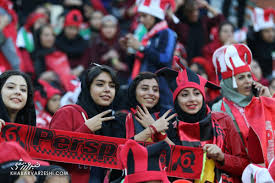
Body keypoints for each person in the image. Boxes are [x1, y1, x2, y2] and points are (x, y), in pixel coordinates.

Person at [157, 57, 249, 182]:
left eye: (196, 93)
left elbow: (245, 166)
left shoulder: (222, 121)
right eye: (184, 95)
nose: (192, 99)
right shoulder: (168, 126)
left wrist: (222, 157)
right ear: (176, 100)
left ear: (203, 96)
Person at [49, 64, 123, 183]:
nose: (107, 89)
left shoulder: (112, 121)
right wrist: (86, 129)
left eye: (112, 86)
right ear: (87, 87)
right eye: (100, 84)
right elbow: (52, 156)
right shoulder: (68, 112)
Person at [211, 44, 275, 167]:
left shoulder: (260, 100)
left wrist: (267, 101)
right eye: (241, 78)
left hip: (268, 168)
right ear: (229, 82)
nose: (248, 81)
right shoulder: (218, 108)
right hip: (238, 169)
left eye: (249, 76)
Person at [120, 0, 177, 113]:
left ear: (154, 16)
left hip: (160, 91)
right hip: (142, 89)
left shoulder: (168, 33)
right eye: (140, 16)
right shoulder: (146, 36)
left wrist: (141, 48)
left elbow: (164, 59)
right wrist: (129, 51)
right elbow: (137, 65)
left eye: (144, 16)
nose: (140, 20)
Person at [125, 72, 176, 143]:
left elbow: (176, 152)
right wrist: (153, 128)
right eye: (145, 89)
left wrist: (160, 134)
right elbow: (120, 148)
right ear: (134, 92)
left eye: (155, 90)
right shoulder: (122, 118)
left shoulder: (165, 122)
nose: (151, 93)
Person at [247, 7, 275, 79]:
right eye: (267, 31)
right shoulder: (253, 41)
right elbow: (251, 33)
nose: (271, 34)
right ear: (260, 32)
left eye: (272, 30)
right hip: (257, 77)